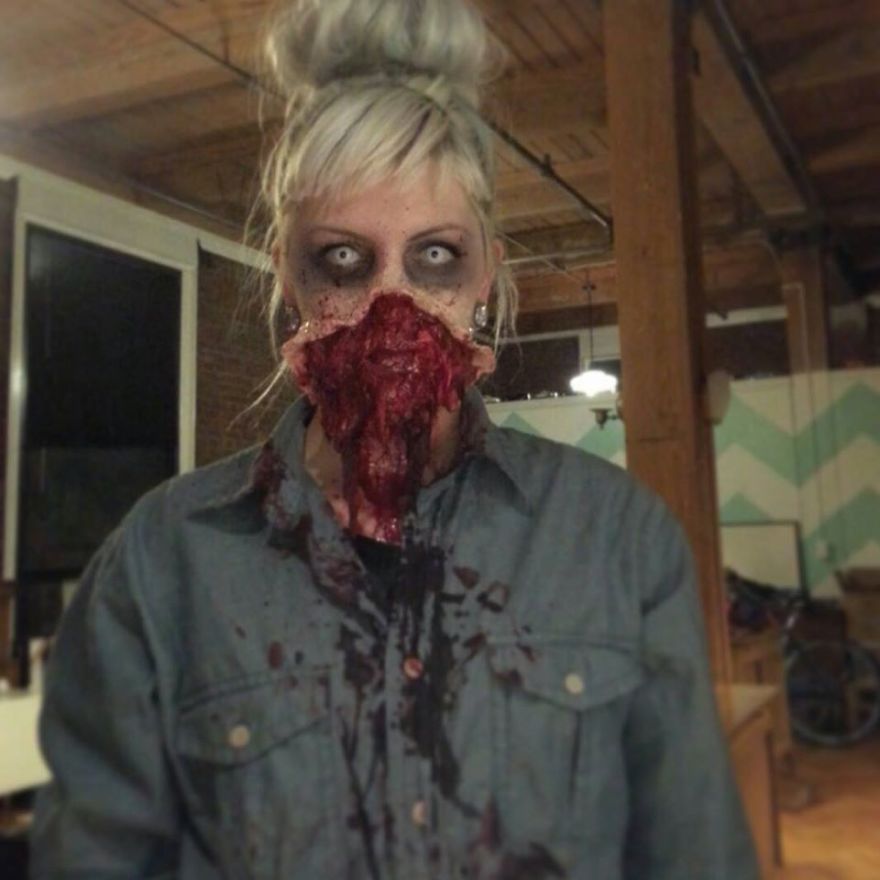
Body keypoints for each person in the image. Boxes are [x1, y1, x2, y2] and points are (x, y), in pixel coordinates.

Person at [30, 0, 760, 877]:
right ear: (288, 277)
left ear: (484, 274)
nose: (391, 305)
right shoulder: (161, 564)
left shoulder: (617, 542)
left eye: (434, 257)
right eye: (343, 259)